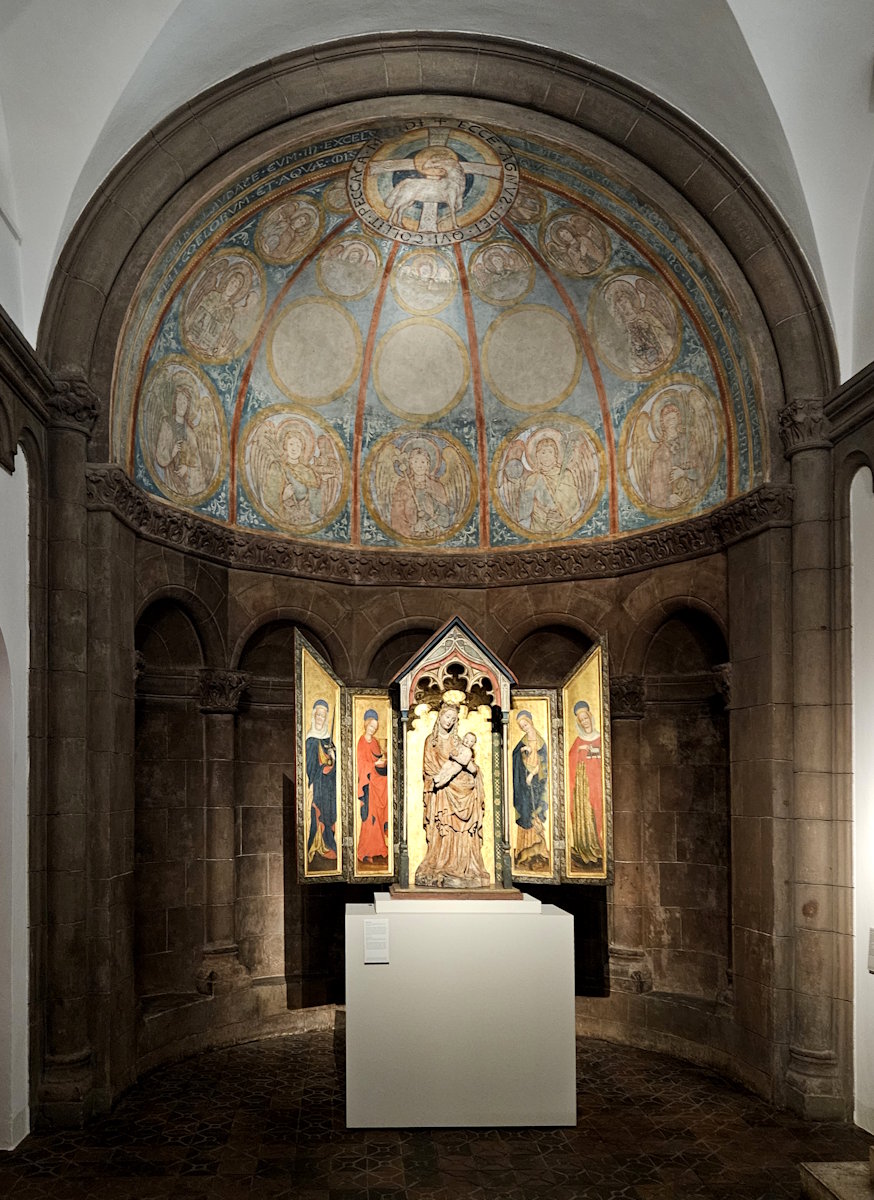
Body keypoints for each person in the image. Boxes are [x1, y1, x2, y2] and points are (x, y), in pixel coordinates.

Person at [414, 703, 490, 888]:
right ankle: (441, 862)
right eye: (447, 717)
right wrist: (442, 778)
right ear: (440, 717)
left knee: (462, 830)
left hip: (462, 790)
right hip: (442, 793)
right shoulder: (431, 741)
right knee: (445, 827)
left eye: (453, 719)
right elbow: (429, 769)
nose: (449, 721)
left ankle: (462, 864)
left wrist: (468, 770)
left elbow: (471, 765)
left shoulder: (458, 742)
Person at [154, 378, 209, 497]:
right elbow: (159, 455)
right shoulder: (166, 424)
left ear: (188, 406)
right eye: (179, 400)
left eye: (184, 402)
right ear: (175, 402)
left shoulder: (190, 433)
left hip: (185, 483)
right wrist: (172, 453)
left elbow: (197, 464)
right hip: (170, 479)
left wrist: (187, 468)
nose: (181, 405)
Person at [511, 710, 549, 868]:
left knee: (536, 811)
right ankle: (523, 849)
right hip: (524, 785)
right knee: (526, 810)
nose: (524, 728)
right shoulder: (522, 742)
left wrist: (533, 774)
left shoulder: (541, 742)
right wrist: (522, 752)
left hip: (537, 783)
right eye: (521, 726)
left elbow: (545, 763)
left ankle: (540, 850)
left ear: (530, 722)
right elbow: (515, 759)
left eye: (525, 724)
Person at [567, 699, 603, 865]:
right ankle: (584, 847)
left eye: (586, 718)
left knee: (596, 813)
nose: (584, 722)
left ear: (590, 717)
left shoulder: (600, 737)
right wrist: (580, 751)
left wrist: (591, 751)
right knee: (583, 814)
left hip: (595, 784)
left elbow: (602, 757)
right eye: (581, 720)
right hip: (581, 788)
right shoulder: (578, 740)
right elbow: (570, 759)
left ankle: (597, 847)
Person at [305, 699, 338, 863]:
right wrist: (321, 769)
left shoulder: (328, 741)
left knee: (329, 815)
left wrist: (333, 757)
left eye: (323, 716)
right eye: (318, 715)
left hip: (329, 787)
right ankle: (316, 846)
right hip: (317, 786)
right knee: (317, 815)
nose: (320, 719)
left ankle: (329, 844)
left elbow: (336, 766)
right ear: (314, 716)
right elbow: (309, 766)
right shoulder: (310, 740)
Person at [356, 709, 389, 864]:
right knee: (370, 818)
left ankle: (380, 848)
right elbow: (361, 764)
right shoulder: (362, 742)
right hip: (368, 784)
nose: (372, 729)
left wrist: (384, 759)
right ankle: (365, 851)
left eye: (375, 727)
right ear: (366, 724)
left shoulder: (375, 742)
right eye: (371, 726)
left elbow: (379, 757)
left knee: (379, 816)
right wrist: (374, 764)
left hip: (378, 783)